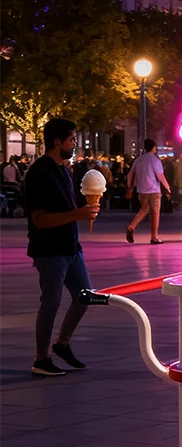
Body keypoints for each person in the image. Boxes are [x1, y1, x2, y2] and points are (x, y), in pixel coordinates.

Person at [23, 118, 100, 376]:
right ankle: (41, 358)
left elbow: (69, 208)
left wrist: (84, 210)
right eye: (72, 140)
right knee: (51, 303)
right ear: (57, 142)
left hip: (71, 247)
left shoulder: (64, 170)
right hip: (49, 250)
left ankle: (62, 343)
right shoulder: (40, 172)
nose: (75, 144)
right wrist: (77, 214)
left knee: (84, 296)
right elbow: (40, 219)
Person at [125, 138, 171, 245]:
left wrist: (130, 187)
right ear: (153, 147)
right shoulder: (155, 160)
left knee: (144, 210)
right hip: (154, 190)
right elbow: (160, 176)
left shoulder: (138, 160)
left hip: (141, 190)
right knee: (155, 213)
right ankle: (154, 237)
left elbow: (130, 175)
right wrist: (168, 188)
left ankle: (131, 227)